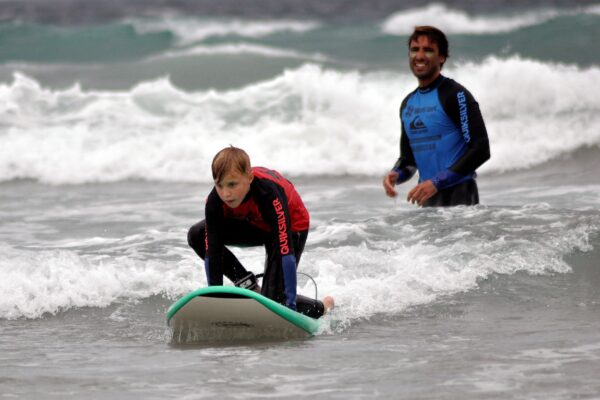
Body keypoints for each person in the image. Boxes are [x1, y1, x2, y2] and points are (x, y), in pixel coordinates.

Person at [188, 146, 334, 319]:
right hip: (254, 224)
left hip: (291, 228)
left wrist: (290, 307)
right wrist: (215, 303)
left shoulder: (268, 193)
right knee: (197, 234)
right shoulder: (214, 201)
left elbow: (285, 252)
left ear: (249, 177)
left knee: (274, 302)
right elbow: (213, 253)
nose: (226, 193)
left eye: (232, 184)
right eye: (219, 185)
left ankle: (323, 307)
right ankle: (247, 284)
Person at [383, 26, 490, 207]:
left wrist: (438, 182)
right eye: (415, 50)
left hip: (460, 197)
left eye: (428, 50)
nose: (420, 56)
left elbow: (480, 149)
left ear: (442, 57)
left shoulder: (456, 95)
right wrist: (396, 174)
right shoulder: (408, 104)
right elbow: (409, 160)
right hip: (427, 199)